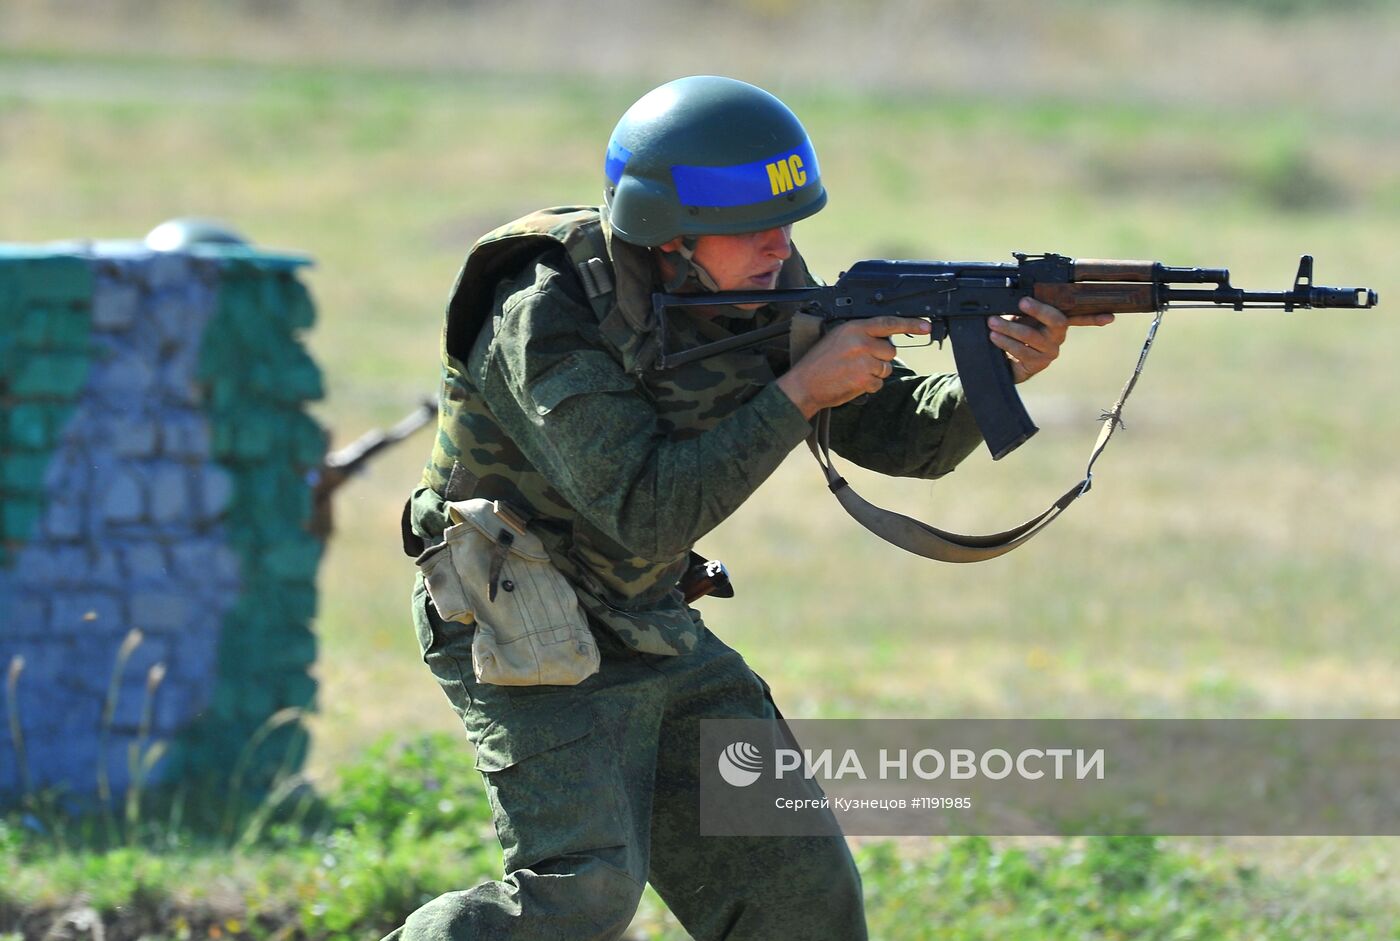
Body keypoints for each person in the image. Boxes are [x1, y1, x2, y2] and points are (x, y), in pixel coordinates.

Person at [387, 75, 1112, 941]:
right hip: (516, 620)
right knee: (578, 893)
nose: (782, 245)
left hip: (646, 619)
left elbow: (899, 438)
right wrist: (800, 390)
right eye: (754, 228)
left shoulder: (763, 282)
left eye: (790, 221)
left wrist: (999, 375)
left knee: (798, 896)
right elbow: (646, 511)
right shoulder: (546, 309)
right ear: (669, 235)